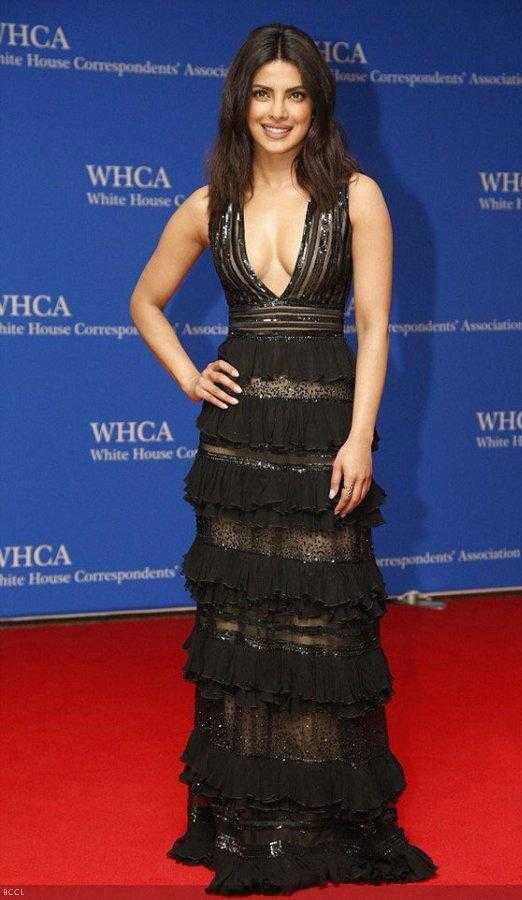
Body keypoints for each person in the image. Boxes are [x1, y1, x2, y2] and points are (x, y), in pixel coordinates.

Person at [129, 21, 438, 895]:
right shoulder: (206, 206)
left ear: (316, 104)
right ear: (240, 102)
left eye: (294, 94)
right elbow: (144, 300)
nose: (277, 111)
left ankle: (321, 817)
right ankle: (249, 820)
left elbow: (374, 326)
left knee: (321, 626)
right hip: (238, 448)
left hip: (321, 436)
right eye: (262, 93)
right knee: (242, 628)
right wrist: (191, 375)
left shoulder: (357, 197)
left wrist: (357, 436)